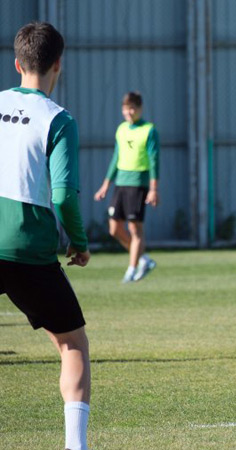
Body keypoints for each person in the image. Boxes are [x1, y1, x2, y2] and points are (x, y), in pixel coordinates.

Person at [0, 22, 91, 450]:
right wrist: (79, 242)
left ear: (17, 63)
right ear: (59, 65)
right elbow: (63, 197)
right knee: (72, 344)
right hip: (26, 248)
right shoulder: (58, 119)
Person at [94, 91, 160, 283]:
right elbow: (116, 157)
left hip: (138, 184)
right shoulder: (121, 129)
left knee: (135, 228)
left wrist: (154, 188)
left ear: (140, 109)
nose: (128, 112)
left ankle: (131, 269)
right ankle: (143, 259)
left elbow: (154, 160)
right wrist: (106, 184)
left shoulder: (149, 130)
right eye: (125, 108)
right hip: (120, 183)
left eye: (132, 108)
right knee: (114, 228)